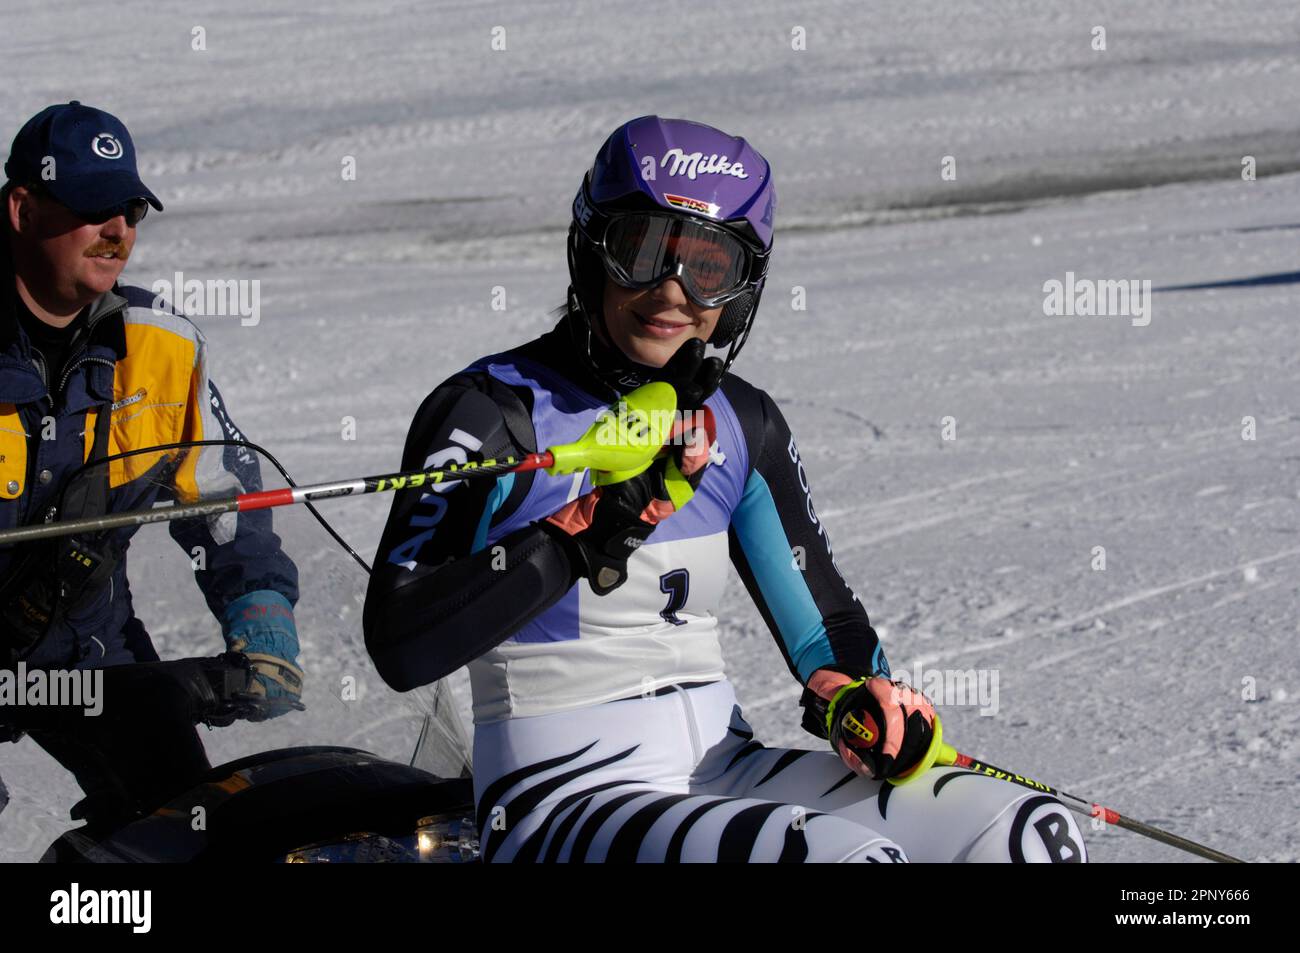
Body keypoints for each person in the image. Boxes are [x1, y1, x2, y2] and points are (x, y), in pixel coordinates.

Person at [363, 116, 1087, 863]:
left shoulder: (740, 421)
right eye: (640, 250)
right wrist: (577, 535)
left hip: (721, 766)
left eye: (708, 266)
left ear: (740, 294)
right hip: (556, 800)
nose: (671, 291)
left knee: (1028, 835)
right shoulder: (491, 411)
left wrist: (858, 699)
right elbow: (401, 643)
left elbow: (823, 625)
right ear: (589, 250)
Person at [0, 102, 302, 830]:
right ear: (22, 208)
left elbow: (222, 502)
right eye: (95, 207)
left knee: (193, 828)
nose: (120, 232)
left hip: (89, 648)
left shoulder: (161, 346)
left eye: (132, 209)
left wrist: (258, 609)